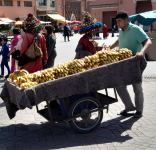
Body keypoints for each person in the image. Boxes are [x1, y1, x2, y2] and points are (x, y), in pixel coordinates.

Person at [110, 11, 152, 118]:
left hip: (135, 62)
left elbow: (148, 42)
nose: (117, 23)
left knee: (136, 87)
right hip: (123, 62)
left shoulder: (136, 29)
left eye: (119, 21)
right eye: (117, 21)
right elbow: (119, 40)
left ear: (126, 20)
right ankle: (129, 107)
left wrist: (141, 52)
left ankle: (139, 110)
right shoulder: (121, 30)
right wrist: (110, 47)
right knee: (119, 85)